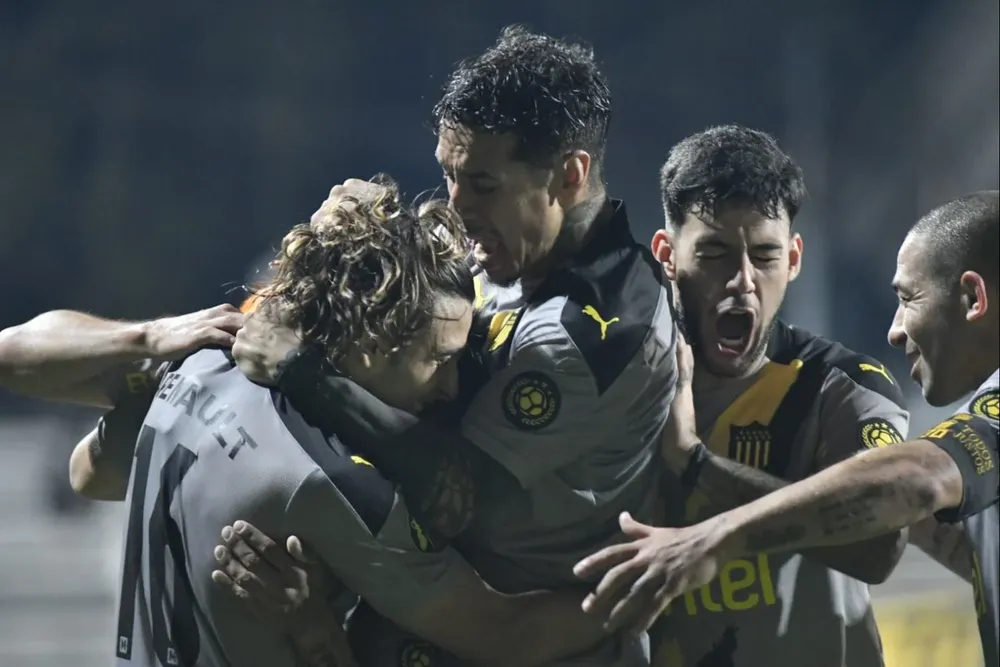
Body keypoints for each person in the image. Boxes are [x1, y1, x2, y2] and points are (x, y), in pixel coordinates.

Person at [0, 186, 612, 667]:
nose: (452, 386)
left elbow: (86, 466)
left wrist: (150, 342)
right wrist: (655, 585)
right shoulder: (337, 480)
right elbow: (507, 635)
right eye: (441, 359)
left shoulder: (208, 355)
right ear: (373, 341)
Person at [229, 24, 678, 667]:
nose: (456, 208)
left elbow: (453, 493)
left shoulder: (590, 334)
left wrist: (304, 372)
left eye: (484, 184)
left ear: (570, 176)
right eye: (449, 176)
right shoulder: (520, 258)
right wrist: (344, 235)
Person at [576, 190, 1000, 666]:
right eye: (714, 254)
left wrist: (709, 533)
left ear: (972, 297)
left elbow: (919, 481)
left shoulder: (841, 385)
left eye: (908, 298)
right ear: (667, 257)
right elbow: (930, 525)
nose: (895, 330)